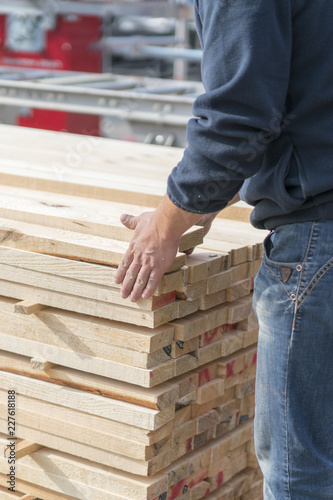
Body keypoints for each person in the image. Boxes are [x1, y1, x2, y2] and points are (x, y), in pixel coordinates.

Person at [114, 1, 333, 498]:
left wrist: (165, 227)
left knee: (303, 474)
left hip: (319, 238)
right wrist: (201, 200)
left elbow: (238, 116)